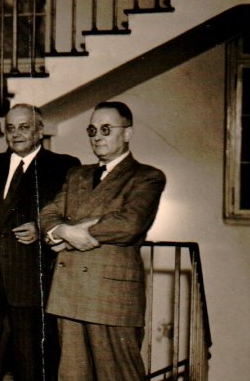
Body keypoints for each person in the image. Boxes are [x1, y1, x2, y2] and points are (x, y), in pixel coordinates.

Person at [40, 101, 166, 381]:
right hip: (68, 293)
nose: (97, 136)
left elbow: (129, 224)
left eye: (106, 129)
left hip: (112, 296)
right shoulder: (77, 174)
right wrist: (63, 231)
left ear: (127, 133)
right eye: (93, 130)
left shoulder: (146, 177)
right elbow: (48, 213)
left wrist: (69, 235)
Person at [0, 104, 80, 380]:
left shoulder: (63, 166)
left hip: (30, 283)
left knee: (31, 366)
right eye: (10, 128)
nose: (16, 134)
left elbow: (70, 217)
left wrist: (41, 230)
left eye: (24, 127)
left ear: (40, 130)